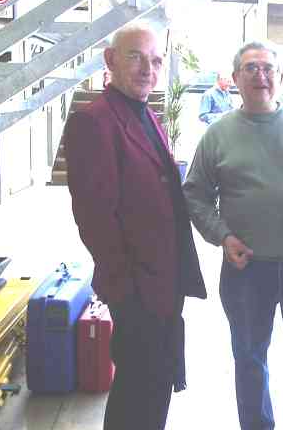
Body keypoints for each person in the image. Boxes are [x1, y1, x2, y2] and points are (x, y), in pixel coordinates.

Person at [184, 41, 283, 430]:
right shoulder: (218, 134)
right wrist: (222, 236)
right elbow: (195, 194)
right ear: (235, 79)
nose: (261, 75)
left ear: (280, 77)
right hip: (247, 270)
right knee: (249, 361)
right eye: (251, 68)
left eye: (268, 68)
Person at [65, 23, 206, 430]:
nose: (148, 69)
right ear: (110, 60)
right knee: (137, 387)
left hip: (162, 280)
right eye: (136, 57)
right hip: (137, 287)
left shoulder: (144, 114)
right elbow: (95, 218)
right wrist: (128, 290)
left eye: (156, 61)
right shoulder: (95, 121)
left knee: (156, 381)